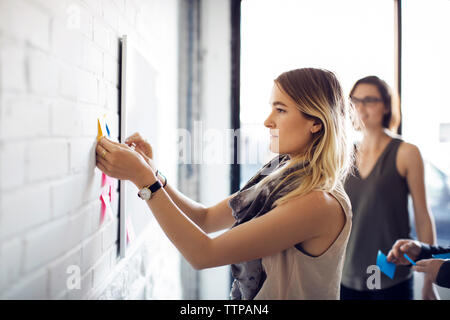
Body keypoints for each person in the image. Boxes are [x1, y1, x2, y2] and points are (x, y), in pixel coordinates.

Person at [95, 68, 354, 300]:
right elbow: (205, 219)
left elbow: (203, 254)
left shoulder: (319, 202)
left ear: (316, 123)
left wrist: (144, 180)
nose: (267, 121)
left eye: (281, 110)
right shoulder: (278, 173)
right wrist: (154, 174)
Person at [340, 76, 438, 300]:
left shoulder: (406, 152)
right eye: (355, 100)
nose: (360, 108)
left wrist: (428, 282)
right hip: (347, 274)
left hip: (390, 272)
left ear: (386, 105)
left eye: (369, 100)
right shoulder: (345, 155)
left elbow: (423, 216)